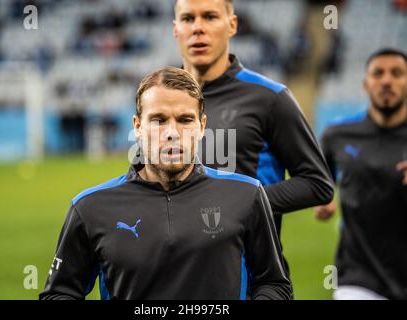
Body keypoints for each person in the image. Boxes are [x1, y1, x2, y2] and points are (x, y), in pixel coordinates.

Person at [39, 67, 293, 300]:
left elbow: (274, 284)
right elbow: (59, 294)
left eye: (184, 120)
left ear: (202, 126)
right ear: (138, 127)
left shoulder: (246, 194)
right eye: (158, 120)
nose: (172, 132)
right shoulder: (90, 208)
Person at [172, 0, 334, 262]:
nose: (198, 28)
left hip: (252, 274)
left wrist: (239, 202)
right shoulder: (160, 100)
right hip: (177, 274)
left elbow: (318, 184)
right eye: (188, 19)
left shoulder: (269, 97)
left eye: (210, 17)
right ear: (175, 28)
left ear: (232, 25)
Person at [315, 48, 407, 300]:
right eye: (378, 73)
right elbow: (320, 182)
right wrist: (323, 199)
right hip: (358, 275)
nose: (387, 80)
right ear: (366, 83)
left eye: (397, 73)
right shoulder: (337, 135)